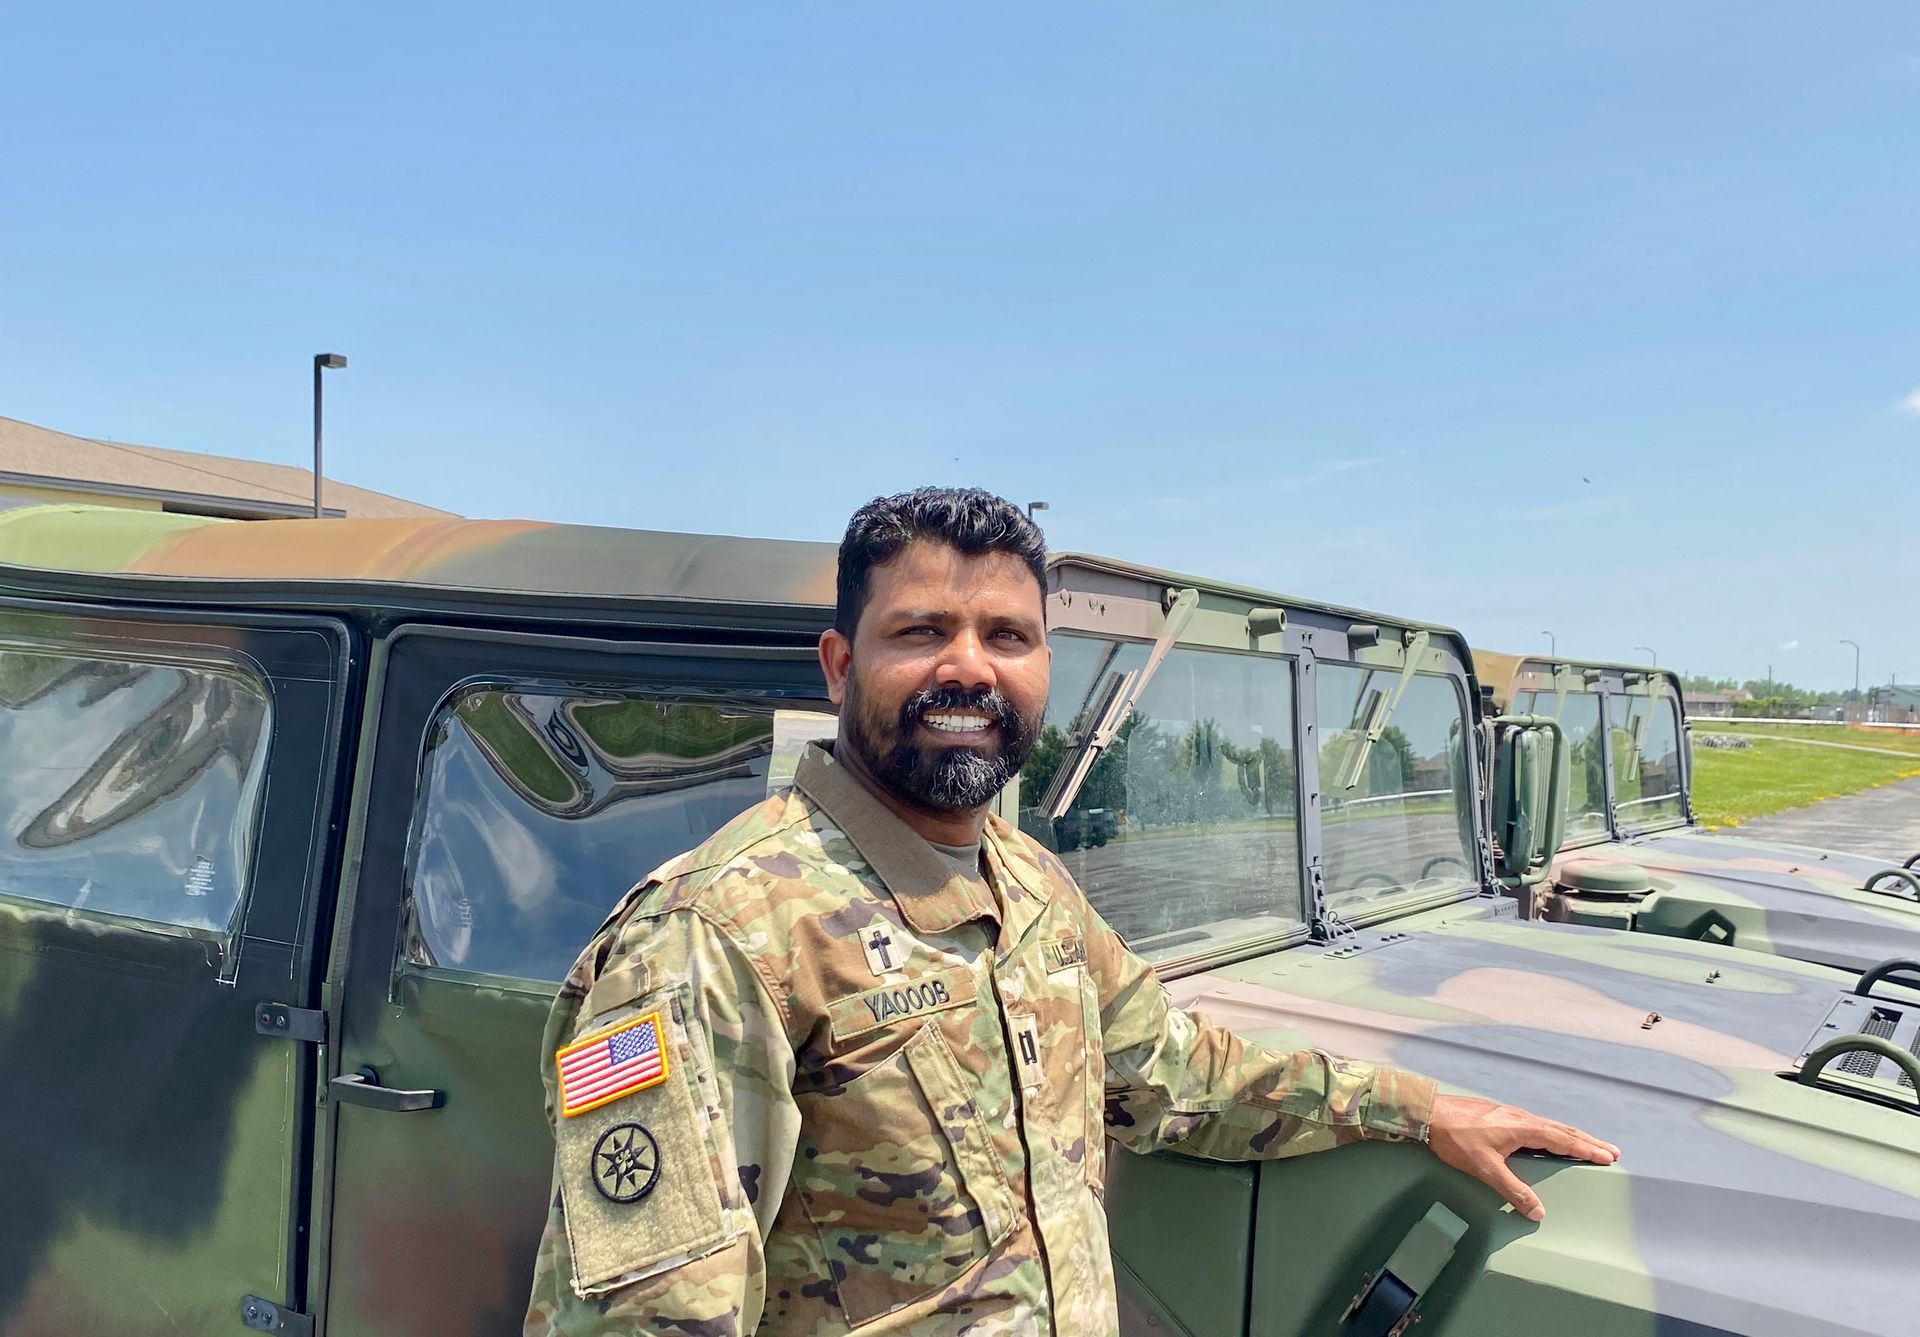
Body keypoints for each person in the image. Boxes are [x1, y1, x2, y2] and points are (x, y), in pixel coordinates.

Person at [523, 487, 1617, 1336]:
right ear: (839, 664)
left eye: (1007, 635)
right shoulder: (715, 935)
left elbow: (1175, 1074)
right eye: (921, 632)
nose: (968, 666)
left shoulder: (1027, 881)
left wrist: (1414, 1108)